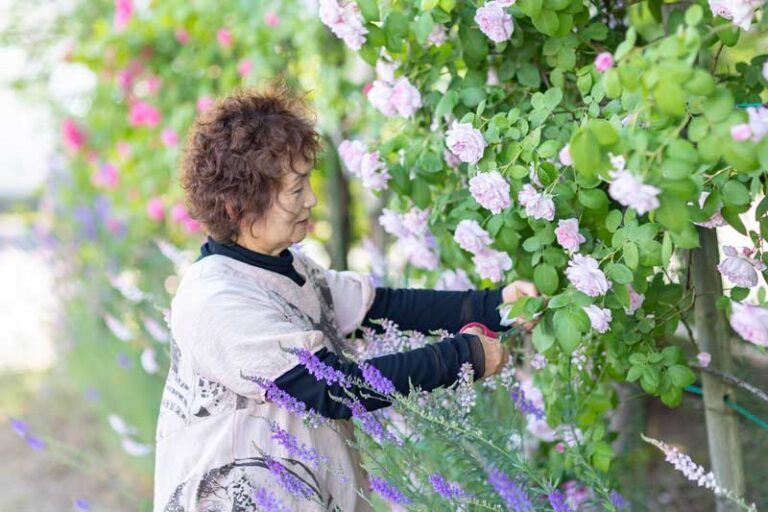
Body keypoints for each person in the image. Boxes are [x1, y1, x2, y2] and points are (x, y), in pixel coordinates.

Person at [153, 84, 537, 512]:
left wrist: (495, 306)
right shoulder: (215, 300)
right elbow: (330, 388)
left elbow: (383, 309)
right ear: (237, 206)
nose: (311, 199)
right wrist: (464, 358)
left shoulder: (285, 268)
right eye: (296, 189)